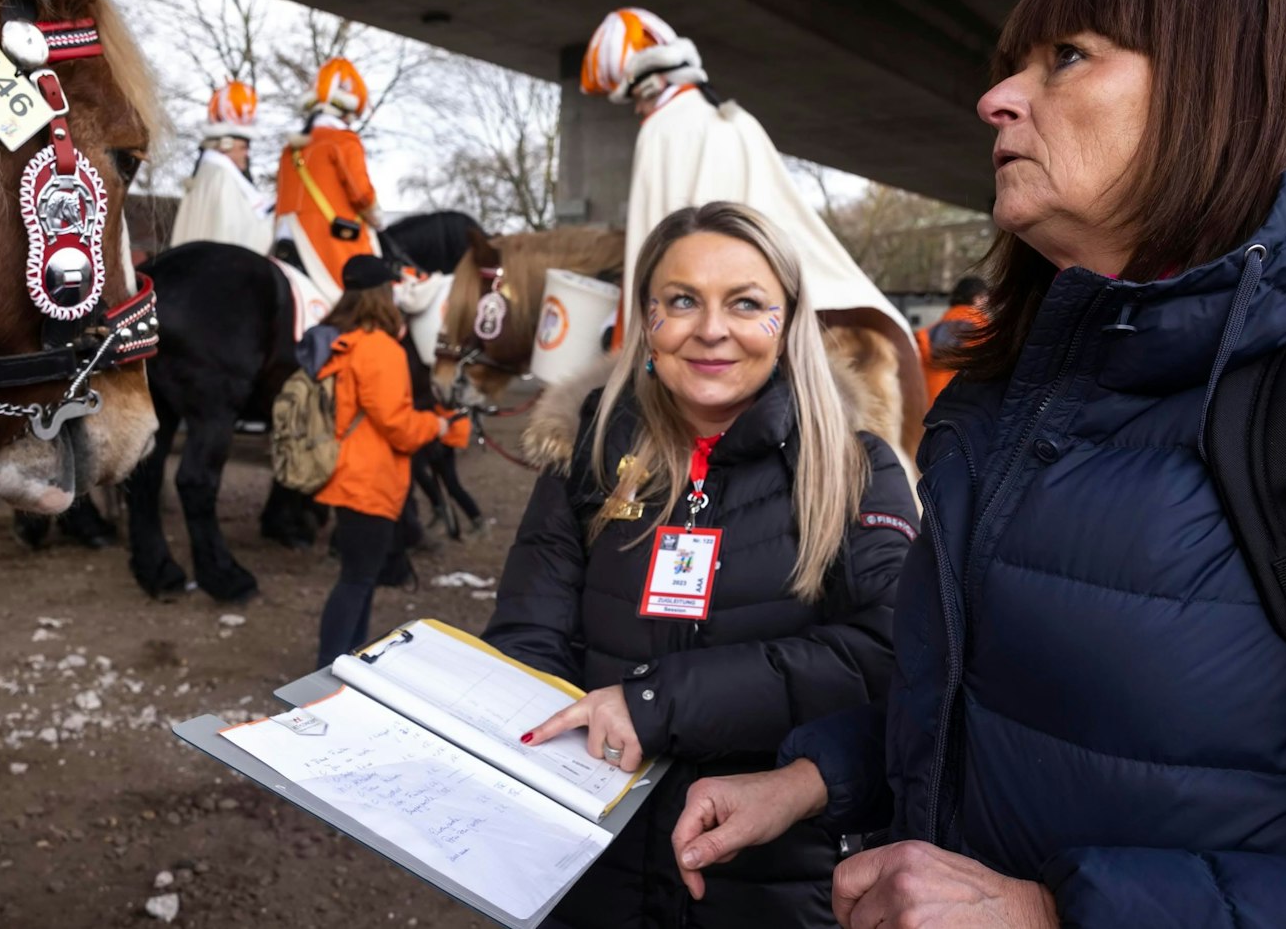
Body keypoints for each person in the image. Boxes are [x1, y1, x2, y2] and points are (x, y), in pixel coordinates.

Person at [668, 0, 1286, 928]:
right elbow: (1014, 713)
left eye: (1066, 58)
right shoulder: (1017, 393)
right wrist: (814, 777)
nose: (995, 98)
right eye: (1011, 64)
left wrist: (1058, 915)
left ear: (1215, 97)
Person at [484, 201, 918, 928]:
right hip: (587, 871)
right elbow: (527, 637)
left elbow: (890, 649)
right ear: (647, 320)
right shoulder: (587, 459)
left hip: (768, 883)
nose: (711, 328)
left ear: (787, 322)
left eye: (746, 303)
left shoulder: (853, 469)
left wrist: (659, 705)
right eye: (681, 300)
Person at [580, 9, 919, 398]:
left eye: (633, 100)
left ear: (648, 86)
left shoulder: (663, 130)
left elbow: (653, 248)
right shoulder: (737, 120)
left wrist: (629, 339)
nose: (637, 111)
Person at [313, 254, 471, 668]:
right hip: (370, 481)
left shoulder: (344, 340)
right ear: (383, 294)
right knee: (357, 580)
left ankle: (343, 660)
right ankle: (330, 666)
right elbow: (397, 426)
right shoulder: (381, 348)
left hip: (349, 477)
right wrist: (438, 427)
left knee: (360, 578)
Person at [274, 58, 384, 301]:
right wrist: (377, 218)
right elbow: (361, 193)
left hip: (283, 235)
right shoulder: (343, 140)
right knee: (369, 296)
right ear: (348, 111)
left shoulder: (289, 149)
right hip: (324, 239)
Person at [171, 80, 273, 252]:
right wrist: (276, 217)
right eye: (243, 148)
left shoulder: (206, 173)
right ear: (226, 145)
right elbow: (239, 239)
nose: (246, 154)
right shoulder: (221, 177)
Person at [915, 275, 988, 409]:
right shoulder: (984, 334)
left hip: (929, 413)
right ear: (977, 299)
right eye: (985, 299)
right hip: (967, 416)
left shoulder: (926, 335)